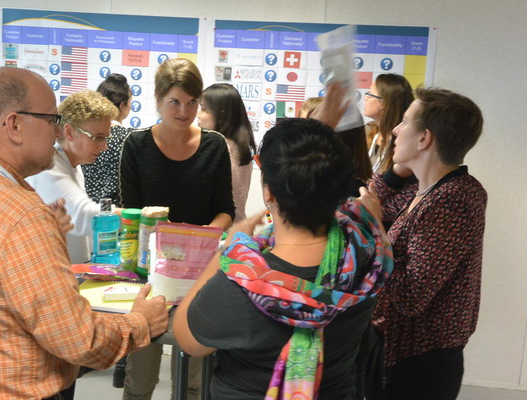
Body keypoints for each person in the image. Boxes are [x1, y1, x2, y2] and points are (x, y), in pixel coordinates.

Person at [0, 67, 169, 400]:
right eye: (51, 120)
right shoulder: (21, 216)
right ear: (14, 125)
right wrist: (141, 322)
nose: (58, 132)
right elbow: (80, 340)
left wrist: (44, 239)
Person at [173, 118, 393, 400]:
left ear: (269, 193)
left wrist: (228, 251)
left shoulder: (241, 280)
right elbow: (369, 227)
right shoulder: (368, 253)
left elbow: (188, 339)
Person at [120, 58, 235, 400]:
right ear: (157, 100)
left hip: (199, 274)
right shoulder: (137, 146)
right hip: (150, 274)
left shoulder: (214, 145)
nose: (184, 111)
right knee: (139, 379)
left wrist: (201, 238)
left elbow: (225, 210)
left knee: (193, 382)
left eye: (192, 102)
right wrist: (162, 232)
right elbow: (132, 211)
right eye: (175, 102)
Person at [370, 88, 486, 399]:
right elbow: (368, 204)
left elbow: (411, 296)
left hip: (418, 367)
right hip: (398, 356)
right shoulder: (425, 191)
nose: (395, 129)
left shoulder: (453, 200)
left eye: (404, 122)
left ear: (425, 139)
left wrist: (375, 231)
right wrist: (396, 171)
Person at [26, 90, 120, 263]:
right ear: (69, 133)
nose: (104, 146)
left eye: (105, 138)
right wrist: (137, 217)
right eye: (98, 138)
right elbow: (83, 215)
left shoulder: (72, 164)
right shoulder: (49, 167)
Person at [197, 83, 256, 222]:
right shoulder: (240, 146)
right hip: (237, 228)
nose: (198, 115)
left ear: (221, 114)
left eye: (204, 109)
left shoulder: (221, 147)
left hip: (220, 230)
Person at [81, 73, 133, 206]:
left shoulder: (83, 136)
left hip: (83, 209)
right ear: (122, 105)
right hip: (115, 215)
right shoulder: (129, 139)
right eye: (130, 102)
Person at [363, 74, 414, 173]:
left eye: (369, 94)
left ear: (384, 102)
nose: (365, 98)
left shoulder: (405, 142)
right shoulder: (367, 131)